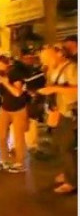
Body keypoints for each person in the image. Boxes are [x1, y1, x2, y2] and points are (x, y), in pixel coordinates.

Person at [38, 45, 77, 195]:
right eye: (43, 58)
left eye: (47, 57)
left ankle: (71, 181)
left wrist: (54, 89)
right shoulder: (52, 71)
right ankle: (69, 173)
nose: (45, 61)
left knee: (67, 147)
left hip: (70, 113)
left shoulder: (71, 68)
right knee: (61, 146)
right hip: (59, 112)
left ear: (60, 54)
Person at [0, 56, 28, 173]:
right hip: (5, 108)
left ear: (7, 65)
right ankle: (4, 160)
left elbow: (17, 93)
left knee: (19, 137)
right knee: (1, 135)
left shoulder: (15, 74)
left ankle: (20, 163)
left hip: (19, 108)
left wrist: (5, 82)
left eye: (0, 65)